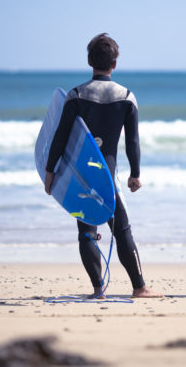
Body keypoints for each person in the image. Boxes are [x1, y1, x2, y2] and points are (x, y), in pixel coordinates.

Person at [44, 33, 161, 299]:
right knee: (122, 230)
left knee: (86, 231)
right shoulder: (127, 96)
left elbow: (60, 138)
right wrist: (135, 174)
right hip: (108, 176)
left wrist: (50, 171)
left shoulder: (76, 95)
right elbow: (133, 141)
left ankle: (98, 290)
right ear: (115, 63)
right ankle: (139, 287)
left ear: (89, 61)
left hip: (81, 175)